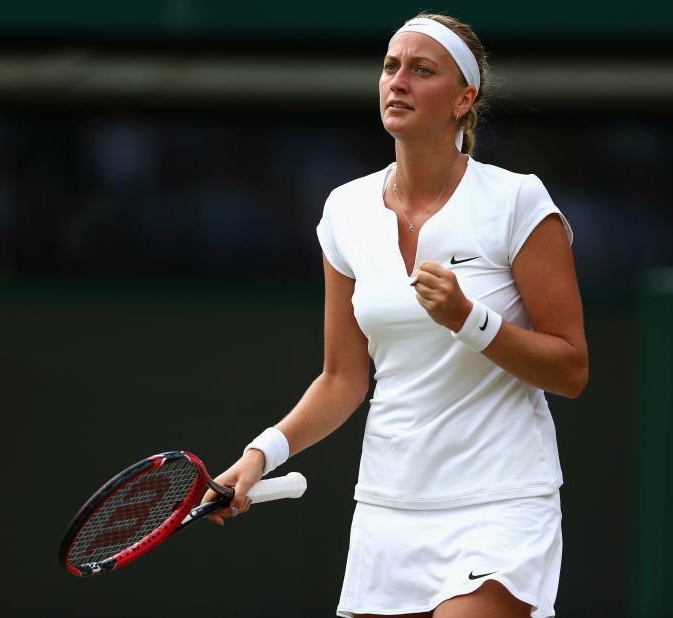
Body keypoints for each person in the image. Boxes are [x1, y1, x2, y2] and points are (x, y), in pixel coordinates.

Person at [202, 12, 588, 618]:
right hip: (390, 508)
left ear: (465, 99)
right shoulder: (346, 210)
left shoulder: (518, 200)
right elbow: (342, 378)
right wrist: (257, 457)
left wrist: (469, 319)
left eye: (421, 70)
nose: (397, 82)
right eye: (390, 67)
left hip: (501, 502)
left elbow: (571, 369)